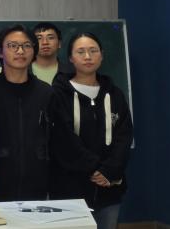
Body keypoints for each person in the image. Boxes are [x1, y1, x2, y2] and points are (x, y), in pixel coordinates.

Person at [49, 33, 133, 229]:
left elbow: (124, 136)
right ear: (71, 58)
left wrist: (108, 171)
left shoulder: (115, 94)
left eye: (93, 51)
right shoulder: (59, 94)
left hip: (109, 187)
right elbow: (63, 138)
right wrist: (94, 168)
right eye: (81, 52)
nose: (88, 56)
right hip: (70, 189)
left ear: (101, 55)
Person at [0, 25, 52, 201]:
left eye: (27, 45)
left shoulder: (45, 92)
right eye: (12, 46)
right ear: (0, 52)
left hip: (36, 183)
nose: (20, 51)